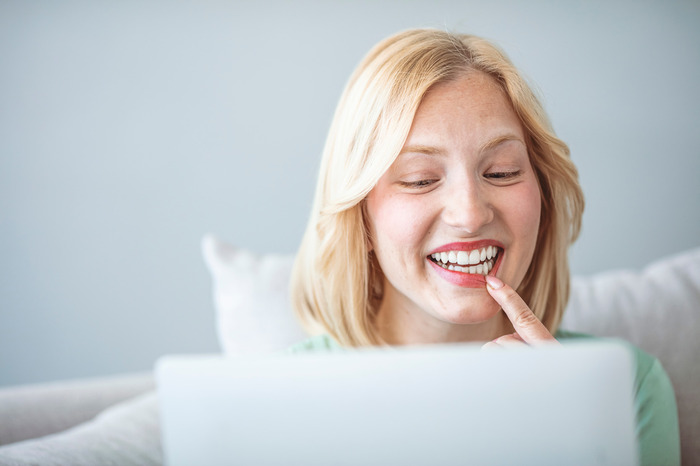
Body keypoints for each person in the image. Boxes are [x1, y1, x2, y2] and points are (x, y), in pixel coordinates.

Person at [288, 28, 680, 465]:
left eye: (501, 172)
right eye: (421, 180)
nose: (470, 215)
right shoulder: (281, 397)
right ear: (360, 218)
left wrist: (572, 437)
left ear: (543, 199)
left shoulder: (628, 388)